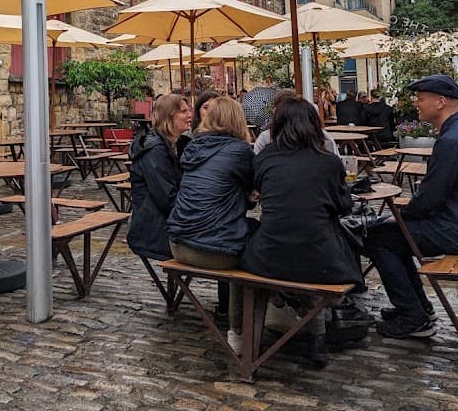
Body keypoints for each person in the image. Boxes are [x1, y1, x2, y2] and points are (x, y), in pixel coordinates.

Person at [365, 74, 458, 340]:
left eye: (421, 99)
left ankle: (413, 315)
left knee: (379, 237)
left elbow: (430, 197)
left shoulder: (453, 140)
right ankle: (419, 309)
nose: (417, 104)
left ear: (440, 102)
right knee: (394, 234)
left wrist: (402, 217)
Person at [231, 96, 361, 359]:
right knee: (314, 249)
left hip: (269, 256)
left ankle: (256, 331)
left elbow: (260, 192)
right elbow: (344, 207)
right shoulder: (329, 162)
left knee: (258, 249)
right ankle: (318, 337)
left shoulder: (265, 158)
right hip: (321, 259)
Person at [167, 98, 254, 269]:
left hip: (178, 243)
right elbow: (253, 187)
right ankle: (241, 296)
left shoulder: (193, 147)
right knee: (267, 241)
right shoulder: (240, 151)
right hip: (214, 251)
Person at [128, 93, 192, 262]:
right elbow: (166, 198)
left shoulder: (179, 144)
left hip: (171, 223)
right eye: (184, 111)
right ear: (169, 116)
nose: (190, 115)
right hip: (155, 231)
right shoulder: (155, 150)